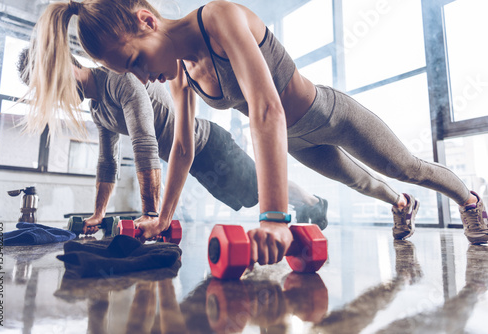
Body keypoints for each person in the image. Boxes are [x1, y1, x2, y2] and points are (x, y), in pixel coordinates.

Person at [27, 0, 488, 265]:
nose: (143, 77)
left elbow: (266, 108)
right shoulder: (181, 72)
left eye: (135, 61)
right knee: (362, 183)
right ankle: (402, 206)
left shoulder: (219, 17)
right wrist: (162, 218)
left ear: (147, 20)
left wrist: (272, 217)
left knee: (405, 166)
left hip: (329, 114)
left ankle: (471, 203)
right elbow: (183, 149)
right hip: (298, 141)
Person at [17, 47, 328, 236]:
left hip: (209, 145)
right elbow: (107, 163)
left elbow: (145, 143)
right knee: (254, 195)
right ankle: (309, 203)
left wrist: (152, 214)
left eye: (50, 84)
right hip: (188, 159)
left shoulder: (118, 79)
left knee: (261, 188)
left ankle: (315, 203)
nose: (54, 95)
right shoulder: (98, 109)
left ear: (64, 66)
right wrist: (98, 213)